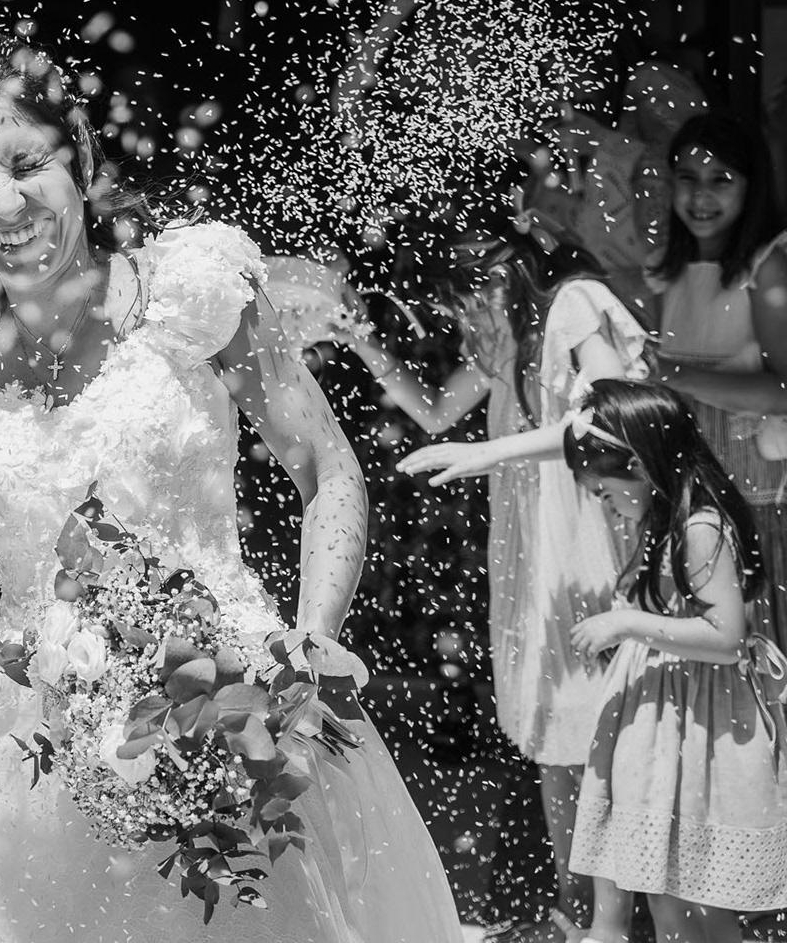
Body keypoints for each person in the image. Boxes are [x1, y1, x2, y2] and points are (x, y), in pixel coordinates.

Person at [0, 30, 458, 941]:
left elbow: (327, 469)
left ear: (80, 153)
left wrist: (305, 651)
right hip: (24, 763)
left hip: (234, 709)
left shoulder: (191, 291)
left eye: (26, 165)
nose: (6, 202)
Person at [330, 228, 646, 941]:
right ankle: (574, 913)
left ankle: (610, 923)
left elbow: (611, 415)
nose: (469, 315)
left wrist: (489, 452)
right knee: (554, 728)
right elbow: (435, 409)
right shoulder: (508, 345)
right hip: (535, 555)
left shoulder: (574, 303)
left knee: (599, 731)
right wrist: (362, 342)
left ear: (511, 273)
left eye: (473, 297)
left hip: (588, 542)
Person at [561, 379, 787, 943]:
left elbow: (727, 635)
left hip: (699, 732)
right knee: (668, 897)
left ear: (639, 465)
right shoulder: (660, 523)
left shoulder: (699, 528)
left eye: (604, 488)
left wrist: (627, 623)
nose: (603, 501)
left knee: (697, 900)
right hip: (665, 728)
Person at [636, 113, 787, 657]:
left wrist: (674, 375)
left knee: (760, 649)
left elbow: (783, 392)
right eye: (688, 178)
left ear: (752, 185)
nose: (701, 196)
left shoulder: (767, 267)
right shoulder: (664, 269)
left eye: (721, 179)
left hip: (756, 498)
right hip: (684, 495)